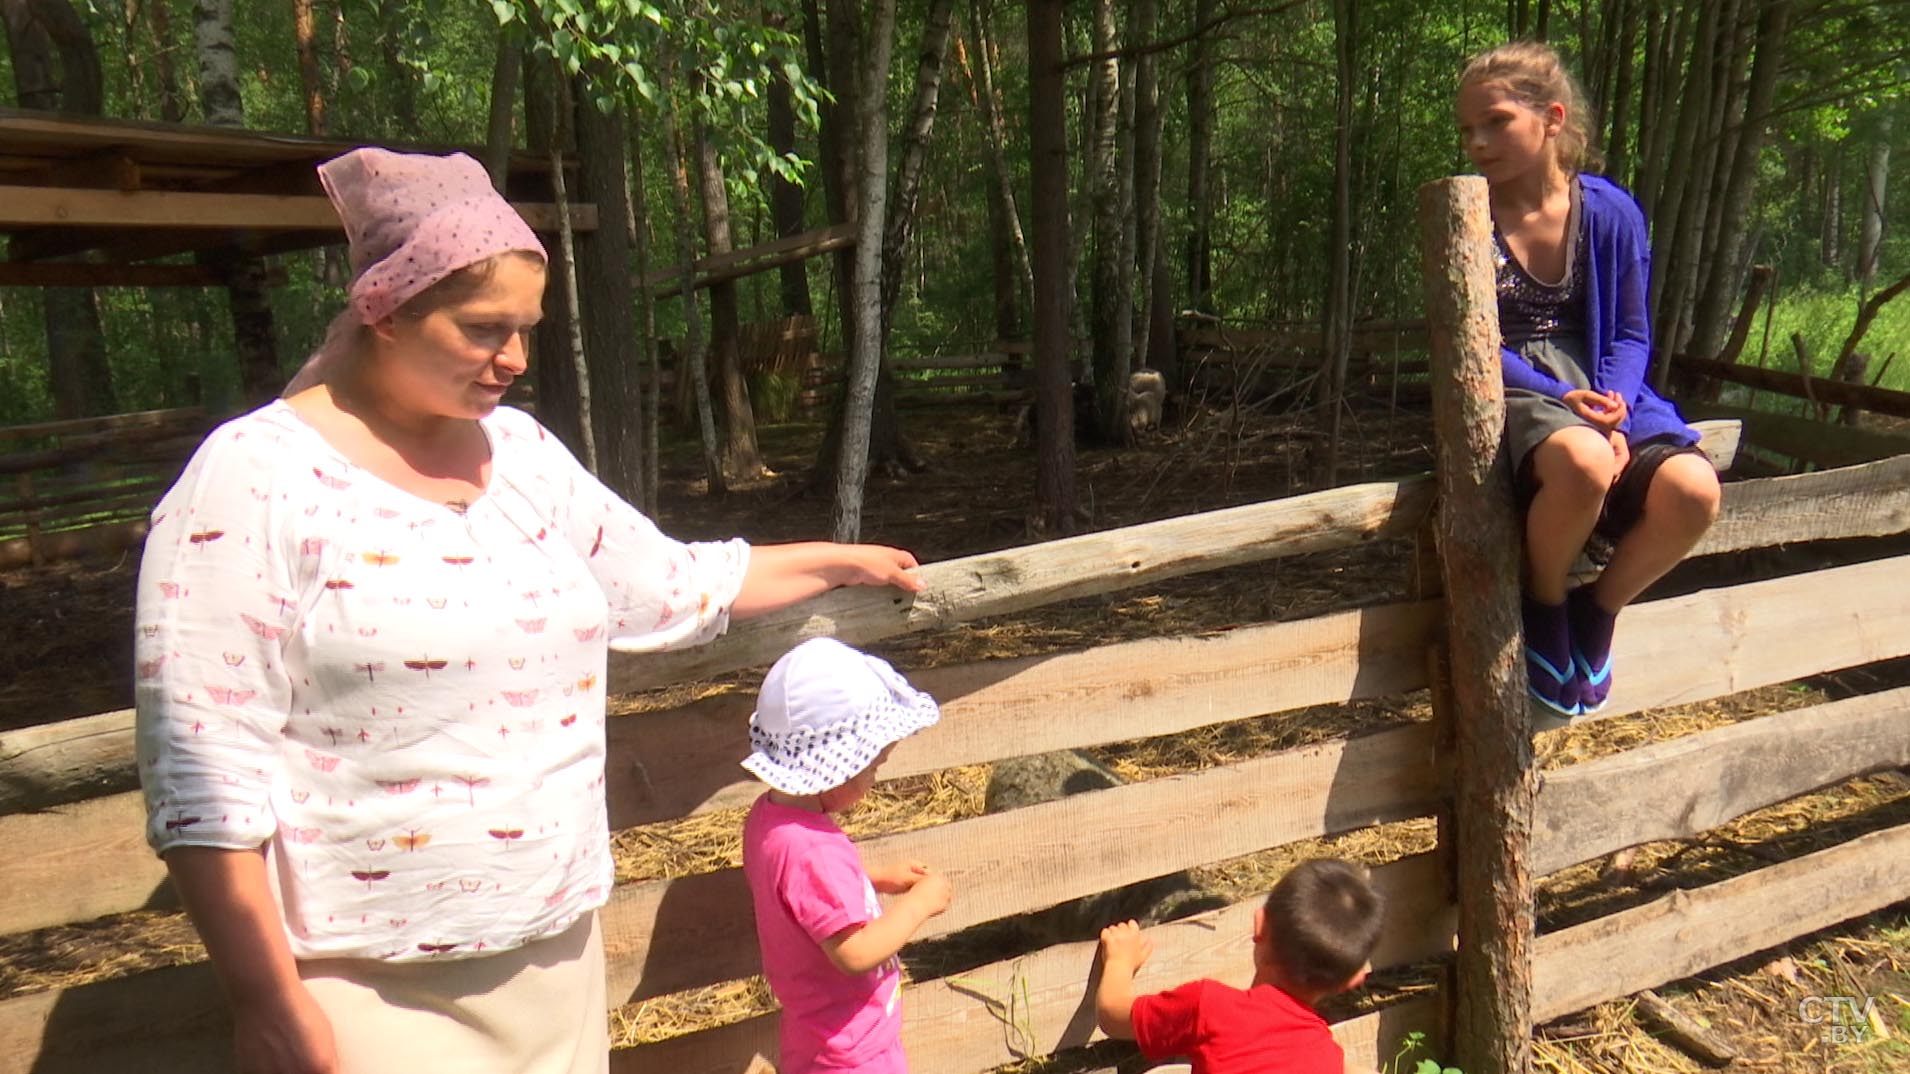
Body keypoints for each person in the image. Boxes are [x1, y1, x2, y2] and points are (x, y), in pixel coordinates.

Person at [134, 147, 926, 1074]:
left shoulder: (520, 456)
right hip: (368, 980)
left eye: (526, 327)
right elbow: (202, 772)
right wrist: (264, 998)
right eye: (482, 328)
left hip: (556, 953)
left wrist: (835, 559)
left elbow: (667, 582)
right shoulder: (253, 479)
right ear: (385, 311)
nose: (513, 357)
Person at [1456, 41, 1721, 719]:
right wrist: (1560, 400)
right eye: (1467, 130)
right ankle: (1542, 600)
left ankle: (1597, 607)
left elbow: (1632, 331)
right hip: (1509, 382)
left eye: (1495, 122)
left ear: (1551, 117)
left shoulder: (1609, 211)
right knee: (1580, 460)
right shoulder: (1464, 218)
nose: (1478, 143)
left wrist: (1616, 408)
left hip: (1607, 380)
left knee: (1694, 490)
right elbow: (1469, 342)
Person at [740, 637, 953, 1074]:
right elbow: (854, 952)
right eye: (872, 765)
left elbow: (800, 895)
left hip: (815, 1035)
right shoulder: (814, 847)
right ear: (833, 765)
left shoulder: (769, 820)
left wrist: (869, 879)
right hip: (854, 1050)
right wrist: (917, 904)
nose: (876, 776)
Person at [1094, 858, 1385, 1074]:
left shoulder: (1207, 1007)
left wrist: (1120, 960)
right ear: (1352, 980)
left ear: (1259, 925)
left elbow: (1111, 1014)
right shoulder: (1327, 1059)